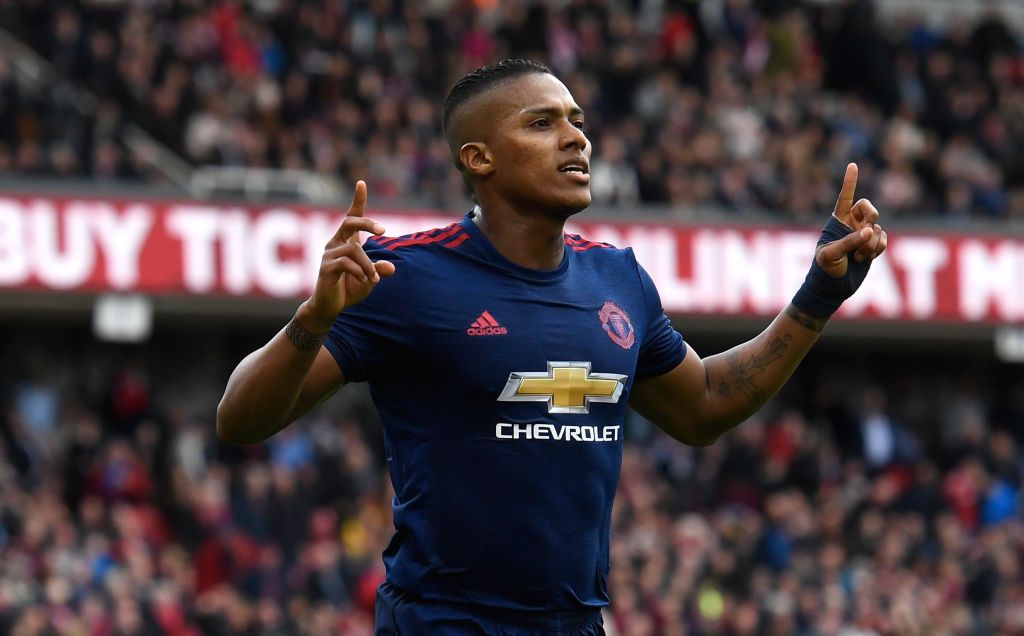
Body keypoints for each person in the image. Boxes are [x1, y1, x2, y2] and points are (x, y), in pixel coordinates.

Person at [217, 59, 887, 635]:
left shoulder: (618, 279)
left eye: (578, 122)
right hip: (444, 621)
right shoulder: (405, 275)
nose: (575, 140)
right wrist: (312, 317)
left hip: (578, 622)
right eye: (542, 124)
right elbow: (240, 419)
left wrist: (819, 295)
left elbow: (705, 405)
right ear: (478, 158)